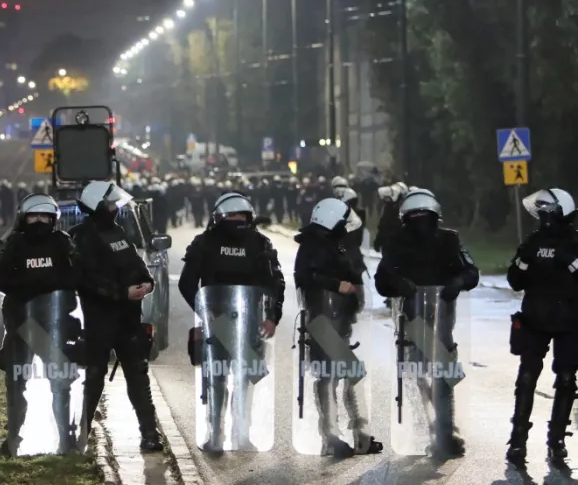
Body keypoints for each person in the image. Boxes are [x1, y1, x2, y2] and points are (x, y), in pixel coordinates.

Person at [374, 188, 480, 458]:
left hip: (443, 319)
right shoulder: (396, 242)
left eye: (425, 217)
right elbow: (382, 280)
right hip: (413, 321)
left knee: (443, 375)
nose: (421, 223)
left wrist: (457, 282)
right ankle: (431, 426)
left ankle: (445, 430)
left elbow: (471, 271)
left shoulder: (450, 240)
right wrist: (399, 284)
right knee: (420, 375)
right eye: (416, 217)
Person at [178, 192, 284, 451]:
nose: (236, 220)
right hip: (222, 323)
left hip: (244, 323)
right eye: (233, 215)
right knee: (222, 379)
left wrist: (272, 317)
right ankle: (220, 433)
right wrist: (205, 311)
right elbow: (187, 283)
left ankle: (236, 433)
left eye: (240, 216)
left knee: (238, 379)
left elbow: (275, 284)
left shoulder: (258, 243)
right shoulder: (208, 243)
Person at [504, 189, 578, 464]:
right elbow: (514, 280)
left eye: (549, 210)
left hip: (569, 319)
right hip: (534, 318)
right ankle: (518, 440)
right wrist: (525, 260)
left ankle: (557, 439)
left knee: (567, 379)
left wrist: (570, 260)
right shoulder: (532, 242)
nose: (544, 215)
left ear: (563, 212)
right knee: (526, 377)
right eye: (542, 210)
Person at [70, 181, 163, 453]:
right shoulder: (82, 237)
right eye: (110, 204)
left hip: (128, 321)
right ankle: (79, 437)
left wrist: (147, 283)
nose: (114, 209)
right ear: (97, 206)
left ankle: (150, 435)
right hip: (99, 322)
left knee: (138, 379)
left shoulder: (118, 232)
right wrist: (122, 293)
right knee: (93, 380)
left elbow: (136, 264)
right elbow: (85, 280)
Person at [0, 193, 83, 455]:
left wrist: (45, 284)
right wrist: (36, 285)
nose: (40, 221)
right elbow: (1, 281)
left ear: (53, 219)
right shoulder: (14, 245)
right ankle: (12, 439)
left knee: (60, 383)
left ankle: (65, 439)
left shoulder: (63, 243)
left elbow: (78, 275)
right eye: (34, 216)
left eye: (45, 216)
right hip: (21, 325)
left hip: (55, 325)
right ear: (24, 218)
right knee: (15, 384)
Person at [295, 197, 381, 455]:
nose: (346, 226)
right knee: (333, 375)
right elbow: (305, 277)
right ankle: (335, 437)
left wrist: (356, 294)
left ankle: (355, 436)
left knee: (338, 374)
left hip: (340, 321)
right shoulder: (310, 246)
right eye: (342, 221)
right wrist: (336, 285)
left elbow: (354, 271)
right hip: (321, 322)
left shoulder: (340, 243)